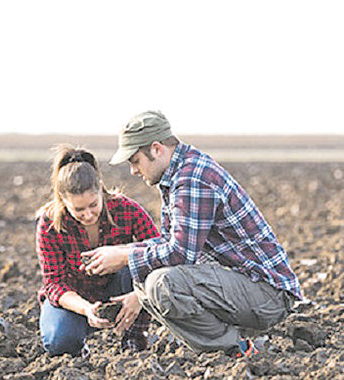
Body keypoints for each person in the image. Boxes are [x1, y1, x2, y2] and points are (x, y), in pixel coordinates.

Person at [82, 111, 303, 357]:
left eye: (135, 160)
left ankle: (237, 347)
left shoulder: (192, 178)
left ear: (156, 149)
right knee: (145, 276)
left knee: (161, 284)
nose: (133, 170)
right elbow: (170, 241)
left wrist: (124, 258)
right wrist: (123, 251)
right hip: (242, 284)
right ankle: (234, 338)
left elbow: (180, 253)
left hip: (267, 294)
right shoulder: (177, 173)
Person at [36, 145, 160, 356]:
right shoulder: (49, 224)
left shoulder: (126, 210)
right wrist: (86, 309)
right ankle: (78, 346)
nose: (89, 214)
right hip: (75, 297)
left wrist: (139, 296)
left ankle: (133, 341)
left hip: (120, 289)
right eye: (79, 210)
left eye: (93, 205)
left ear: (100, 189)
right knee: (59, 342)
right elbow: (54, 282)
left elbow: (160, 251)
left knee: (137, 260)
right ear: (63, 200)